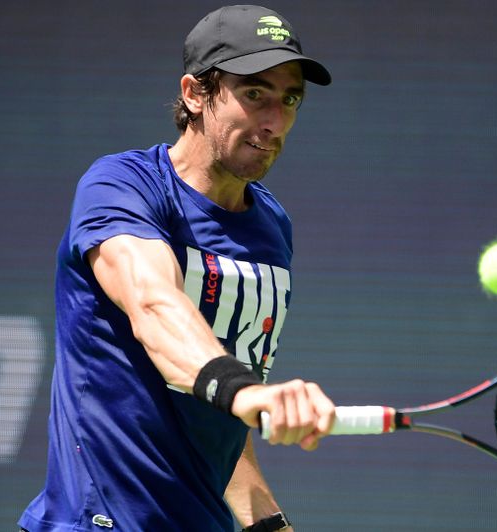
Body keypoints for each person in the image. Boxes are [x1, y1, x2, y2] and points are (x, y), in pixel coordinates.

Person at [19, 5, 336, 531]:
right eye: (254, 93)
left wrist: (268, 525)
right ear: (195, 94)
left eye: (290, 99)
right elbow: (152, 304)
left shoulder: (271, 226)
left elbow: (211, 399)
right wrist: (249, 392)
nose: (274, 121)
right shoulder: (122, 186)